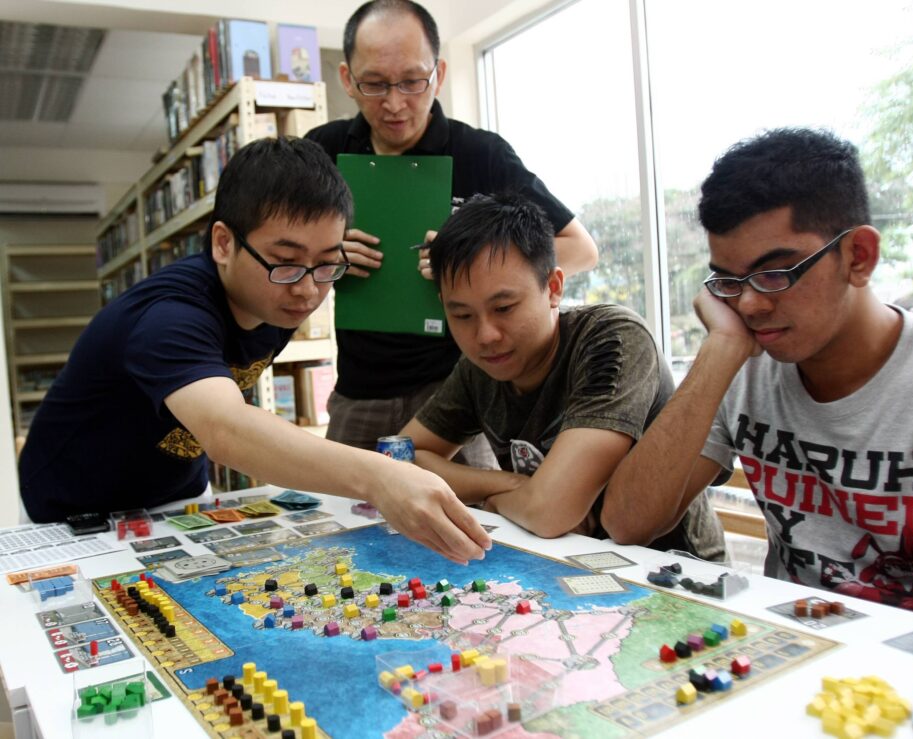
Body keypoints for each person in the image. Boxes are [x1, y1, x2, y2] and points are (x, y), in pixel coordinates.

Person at [18, 137, 490, 566]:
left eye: (328, 264)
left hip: (174, 499)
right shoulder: (169, 317)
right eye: (286, 263)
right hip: (74, 511)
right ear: (224, 243)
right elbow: (226, 429)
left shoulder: (272, 299)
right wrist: (380, 477)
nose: (307, 290)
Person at [601, 128, 913, 610]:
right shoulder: (747, 367)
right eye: (729, 281)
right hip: (798, 640)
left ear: (858, 257)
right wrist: (720, 349)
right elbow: (626, 522)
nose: (750, 305)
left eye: (775, 273)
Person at [306, 0, 597, 460]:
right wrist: (323, 258)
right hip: (359, 391)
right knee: (345, 504)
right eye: (375, 84)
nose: (395, 103)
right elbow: (281, 259)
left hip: (462, 392)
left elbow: (579, 248)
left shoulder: (481, 154)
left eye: (413, 81)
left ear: (439, 74)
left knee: (470, 505)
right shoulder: (323, 151)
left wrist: (473, 261)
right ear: (347, 79)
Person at [398, 193, 725, 560]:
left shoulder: (611, 338)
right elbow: (399, 457)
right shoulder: (481, 366)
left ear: (553, 288)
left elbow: (550, 512)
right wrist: (509, 485)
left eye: (504, 308)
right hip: (558, 562)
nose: (485, 335)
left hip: (670, 568)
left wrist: (504, 501)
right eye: (462, 315)